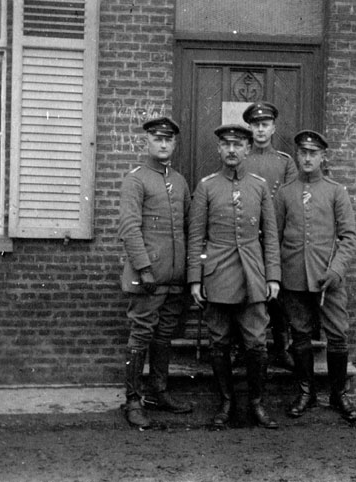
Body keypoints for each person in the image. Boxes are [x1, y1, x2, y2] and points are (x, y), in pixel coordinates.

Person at [187, 124, 281, 430]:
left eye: (238, 145)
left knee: (256, 344)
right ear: (218, 149)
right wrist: (196, 279)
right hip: (217, 276)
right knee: (219, 343)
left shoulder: (259, 186)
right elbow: (196, 236)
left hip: (253, 276)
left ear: (248, 149)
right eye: (226, 144)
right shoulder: (207, 186)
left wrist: (273, 277)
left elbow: (270, 236)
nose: (231, 150)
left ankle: (256, 403)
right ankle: (226, 402)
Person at [274, 130, 356, 423]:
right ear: (297, 155)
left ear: (324, 156)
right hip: (294, 277)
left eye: (313, 153)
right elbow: (276, 236)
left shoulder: (336, 191)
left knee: (337, 335)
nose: (307, 158)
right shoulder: (284, 193)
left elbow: (348, 238)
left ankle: (337, 394)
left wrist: (335, 271)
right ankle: (306, 392)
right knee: (300, 336)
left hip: (328, 278)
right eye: (302, 152)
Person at [118, 116, 193, 429]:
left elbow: (188, 227)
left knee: (164, 336)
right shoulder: (136, 179)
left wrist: (189, 272)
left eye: (169, 139)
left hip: (175, 278)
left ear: (174, 143)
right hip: (148, 278)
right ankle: (133, 400)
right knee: (141, 334)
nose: (163, 144)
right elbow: (129, 227)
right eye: (157, 138)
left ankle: (158, 392)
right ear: (146, 141)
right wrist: (144, 268)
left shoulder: (179, 180)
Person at [242, 101, 298, 371]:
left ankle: (281, 347)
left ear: (274, 127)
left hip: (276, 238)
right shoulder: (242, 158)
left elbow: (292, 201)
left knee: (278, 297)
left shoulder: (285, 163)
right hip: (248, 239)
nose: (260, 130)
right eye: (255, 125)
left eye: (265, 125)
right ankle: (243, 347)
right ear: (249, 128)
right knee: (245, 292)